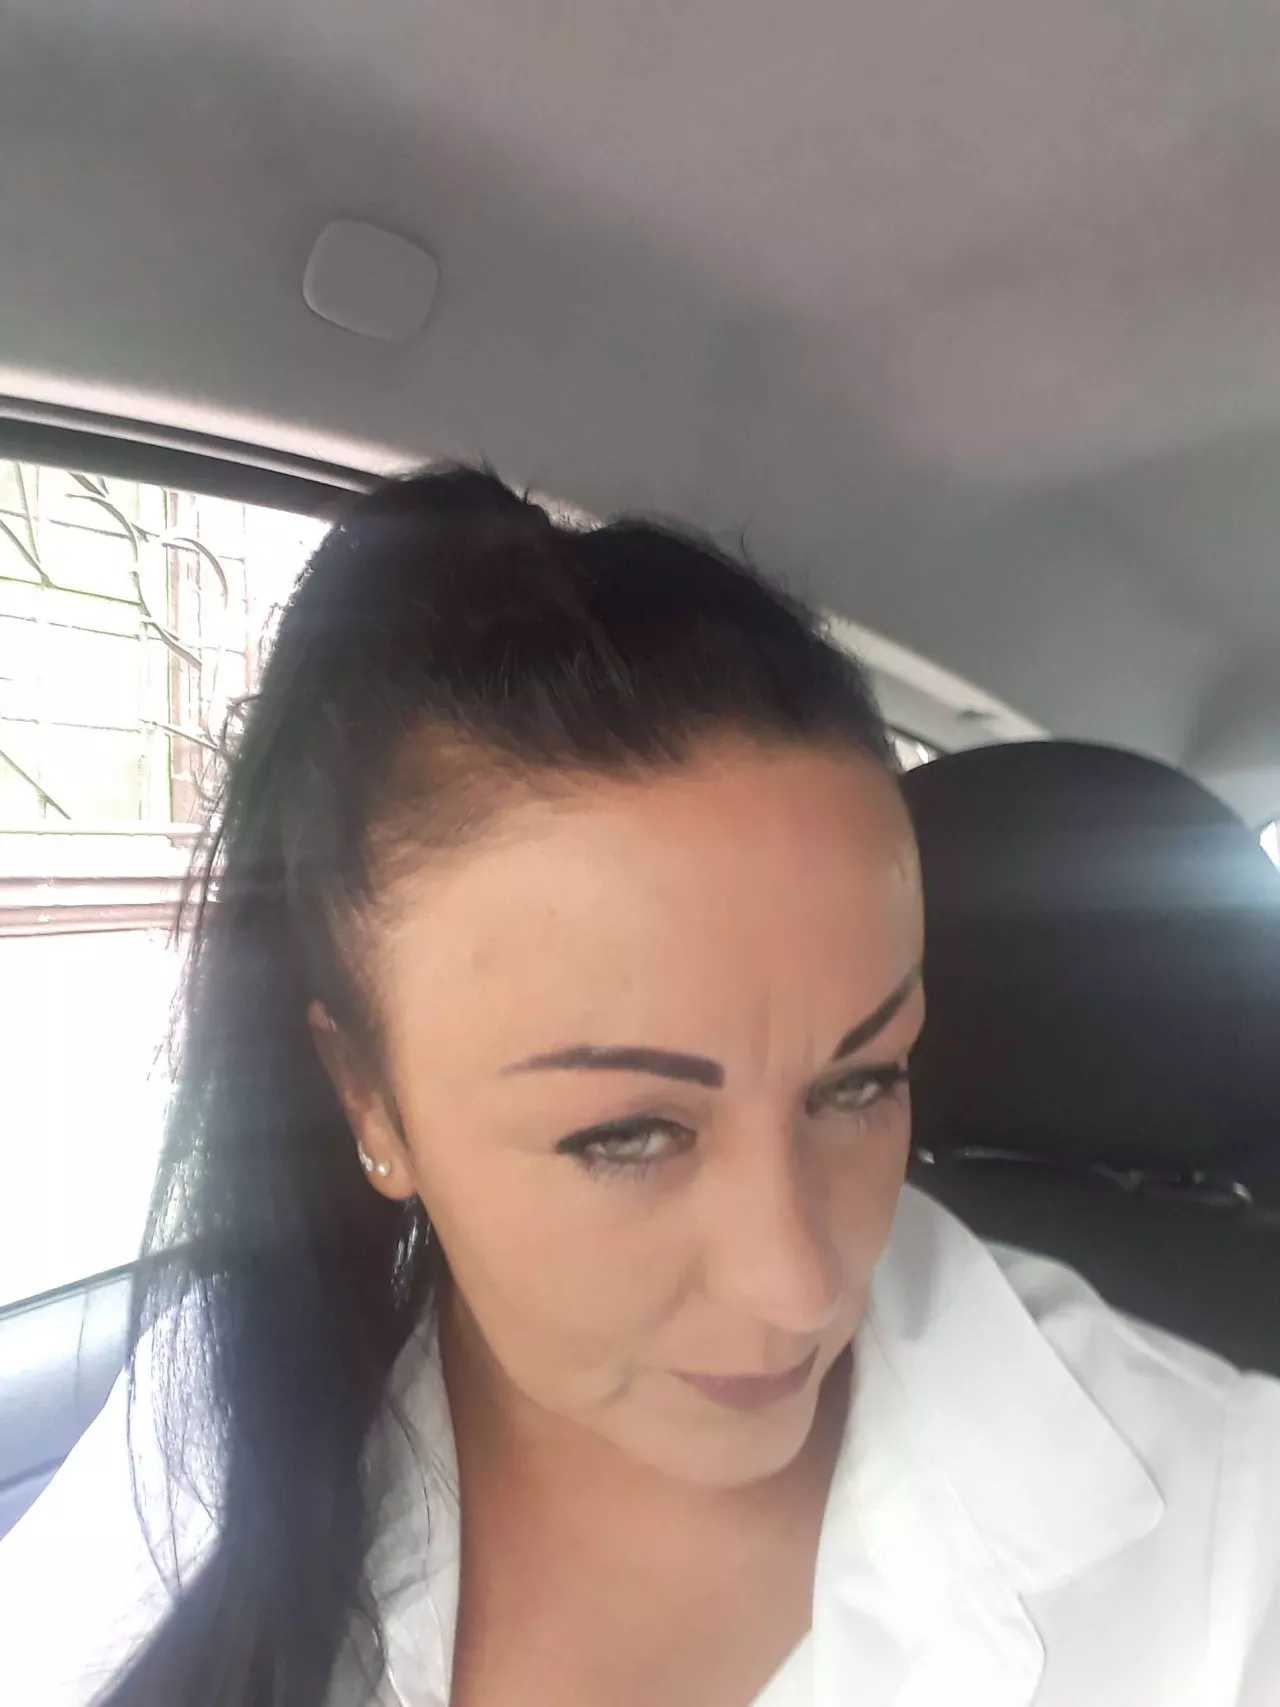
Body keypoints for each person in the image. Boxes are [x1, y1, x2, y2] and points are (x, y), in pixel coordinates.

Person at [0, 467, 1277, 1707]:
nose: (798, 1285)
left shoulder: (1230, 1538)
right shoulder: (209, 1414)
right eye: (626, 1135)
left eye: (860, 1084)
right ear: (367, 1098)